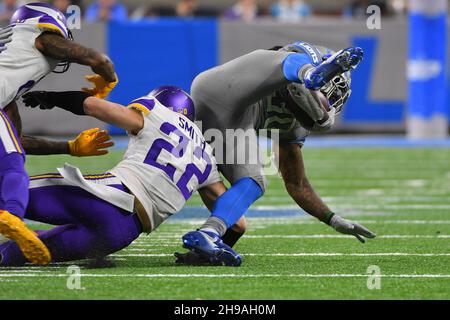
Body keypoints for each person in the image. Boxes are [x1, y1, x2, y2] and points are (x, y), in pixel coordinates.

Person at [176, 42, 376, 264]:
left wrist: (333, 219)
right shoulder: (278, 62)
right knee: (283, 62)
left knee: (253, 185)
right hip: (217, 92)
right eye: (332, 93)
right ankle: (310, 74)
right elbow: (290, 59)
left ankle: (208, 236)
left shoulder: (298, 122)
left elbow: (296, 184)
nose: (330, 103)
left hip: (231, 123)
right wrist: (309, 75)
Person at [0, 86, 242, 267]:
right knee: (17, 252)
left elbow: (96, 107)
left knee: (7, 194)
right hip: (120, 234)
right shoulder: (206, 157)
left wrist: (54, 98)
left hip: (107, 197)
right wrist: (204, 251)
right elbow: (237, 222)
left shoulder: (158, 113)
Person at [0, 2, 117, 265]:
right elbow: (98, 59)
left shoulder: (8, 74)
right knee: (13, 167)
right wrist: (108, 78)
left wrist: (69, 147)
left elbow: (15, 139)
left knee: (11, 156)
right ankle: (11, 217)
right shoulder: (36, 34)